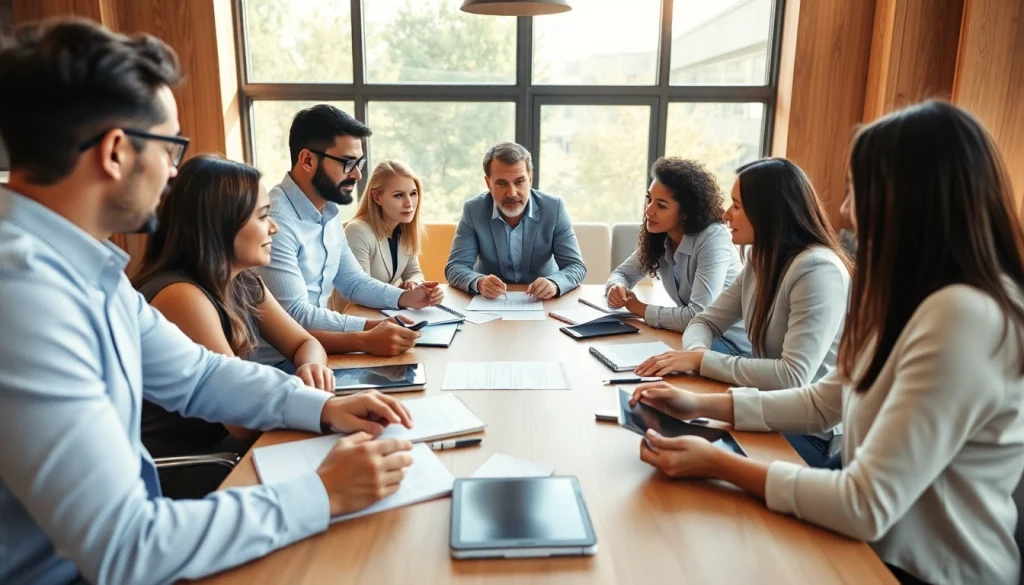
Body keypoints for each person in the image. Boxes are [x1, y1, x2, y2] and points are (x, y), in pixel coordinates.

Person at [0, 18, 416, 585]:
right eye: (171, 147)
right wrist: (321, 495)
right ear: (118, 151)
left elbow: (198, 376)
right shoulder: (23, 297)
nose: (174, 172)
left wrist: (320, 407)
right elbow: (126, 548)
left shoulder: (84, 265)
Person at [628, 100, 1024, 585]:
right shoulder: (918, 296)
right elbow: (825, 400)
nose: (845, 210)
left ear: (909, 198)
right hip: (874, 548)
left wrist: (721, 464)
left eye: (858, 190)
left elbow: (864, 504)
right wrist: (698, 403)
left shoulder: (965, 315)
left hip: (923, 570)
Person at [635, 158, 852, 467]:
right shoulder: (759, 259)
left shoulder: (818, 270)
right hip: (766, 406)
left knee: (685, 448)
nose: (725, 215)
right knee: (668, 436)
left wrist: (700, 360)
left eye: (736, 206)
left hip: (812, 434)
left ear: (768, 212)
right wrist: (695, 353)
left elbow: (792, 377)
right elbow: (705, 320)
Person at [133, 154, 336, 465]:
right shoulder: (180, 296)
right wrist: (322, 409)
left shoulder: (244, 280)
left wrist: (312, 368)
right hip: (196, 464)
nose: (274, 229)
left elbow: (304, 343)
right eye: (263, 216)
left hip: (230, 450)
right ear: (220, 224)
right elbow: (242, 420)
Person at [257, 105, 443, 364]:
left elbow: (353, 281)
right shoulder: (277, 221)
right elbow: (295, 315)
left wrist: (404, 297)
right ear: (308, 160)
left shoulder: (328, 211)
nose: (357, 174)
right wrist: (370, 328)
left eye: (359, 163)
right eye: (347, 163)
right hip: (281, 364)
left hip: (318, 352)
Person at [606, 157, 750, 355]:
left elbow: (697, 315)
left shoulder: (713, 238)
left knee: (642, 348)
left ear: (685, 212)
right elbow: (623, 274)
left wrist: (639, 308)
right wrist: (617, 287)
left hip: (730, 345)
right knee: (624, 344)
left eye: (661, 205)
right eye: (649, 199)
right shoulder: (660, 236)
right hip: (695, 336)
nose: (649, 211)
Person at [445, 142, 586, 299]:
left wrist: (554, 283)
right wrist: (479, 282)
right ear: (488, 183)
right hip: (490, 303)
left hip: (542, 301)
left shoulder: (554, 208)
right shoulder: (473, 210)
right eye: (502, 183)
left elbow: (576, 266)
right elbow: (455, 267)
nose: (512, 193)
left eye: (519, 181)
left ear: (530, 179)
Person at [344, 159, 426, 288]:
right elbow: (361, 288)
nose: (409, 203)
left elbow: (414, 273)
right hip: (355, 308)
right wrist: (402, 297)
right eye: (398, 195)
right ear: (377, 197)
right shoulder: (357, 231)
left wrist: (413, 283)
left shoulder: (404, 229)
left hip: (387, 307)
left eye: (413, 193)